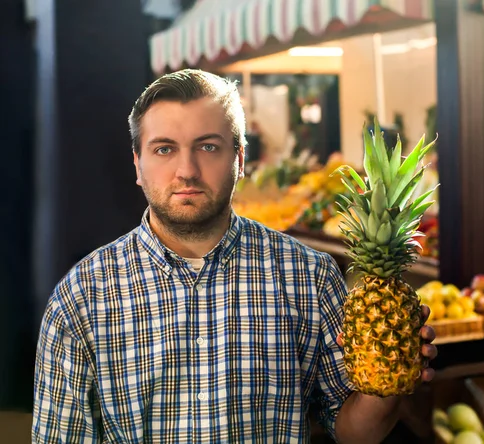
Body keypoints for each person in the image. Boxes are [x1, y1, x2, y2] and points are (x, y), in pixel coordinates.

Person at [32, 69, 437, 443]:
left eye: (208, 146)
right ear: (137, 164)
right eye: (164, 150)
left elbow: (354, 434)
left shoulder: (309, 276)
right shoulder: (80, 298)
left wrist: (391, 378)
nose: (186, 170)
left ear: (240, 159)